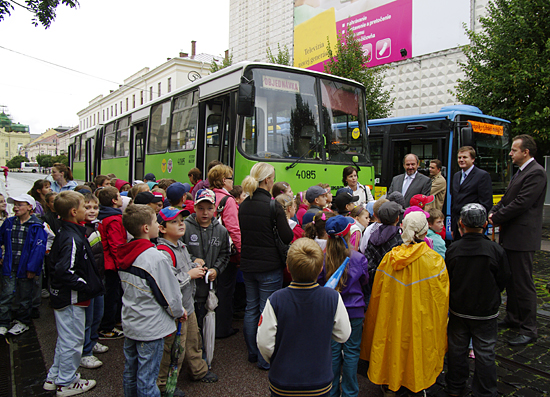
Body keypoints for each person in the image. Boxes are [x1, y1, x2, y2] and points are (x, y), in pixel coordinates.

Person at [360, 211, 449, 396]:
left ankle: (390, 385)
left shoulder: (389, 259)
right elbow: (440, 299)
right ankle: (417, 383)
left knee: (394, 349)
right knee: (417, 350)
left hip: (394, 318)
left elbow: (377, 295)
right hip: (421, 320)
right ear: (425, 231)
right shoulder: (434, 261)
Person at [257, 238, 351, 397]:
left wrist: (277, 359)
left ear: (288, 267)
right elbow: (343, 334)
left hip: (283, 380)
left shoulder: (275, 300)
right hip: (319, 380)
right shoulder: (332, 298)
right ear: (321, 268)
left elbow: (264, 342)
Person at [117, 204, 185, 397]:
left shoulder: (124, 253)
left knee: (131, 371)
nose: (157, 225)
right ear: (146, 228)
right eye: (156, 221)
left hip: (131, 322)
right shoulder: (154, 258)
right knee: (147, 378)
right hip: (151, 327)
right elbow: (169, 294)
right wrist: (178, 313)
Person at [445, 203, 510, 397]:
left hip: (459, 309)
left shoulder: (453, 249)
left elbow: (448, 278)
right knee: (486, 352)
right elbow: (504, 278)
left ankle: (455, 386)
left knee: (457, 351)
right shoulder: (495, 250)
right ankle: (485, 390)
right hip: (486, 312)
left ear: (461, 224)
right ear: (484, 225)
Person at [43, 191, 103, 395]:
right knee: (73, 341)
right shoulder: (72, 237)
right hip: (72, 298)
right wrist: (84, 285)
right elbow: (64, 270)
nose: (88, 210)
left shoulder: (70, 232)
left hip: (68, 297)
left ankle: (55, 376)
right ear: (74, 211)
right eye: (84, 207)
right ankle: (66, 382)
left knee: (65, 339)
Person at [489, 134, 547, 345]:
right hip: (511, 236)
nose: (511, 154)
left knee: (523, 283)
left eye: (514, 150)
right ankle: (513, 318)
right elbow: (507, 198)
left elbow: (522, 203)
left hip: (522, 237)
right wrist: (494, 209)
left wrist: (497, 217)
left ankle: (529, 328)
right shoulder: (521, 172)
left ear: (526, 152)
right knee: (511, 280)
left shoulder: (536, 173)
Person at [156, 206, 217, 396]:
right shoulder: (163, 252)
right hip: (176, 310)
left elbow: (184, 265)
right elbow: (167, 282)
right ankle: (164, 384)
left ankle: (198, 370)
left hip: (187, 305)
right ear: (162, 228)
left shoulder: (180, 246)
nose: (181, 224)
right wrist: (189, 275)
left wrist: (193, 264)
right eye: (174, 222)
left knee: (193, 340)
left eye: (182, 220)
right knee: (174, 348)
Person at [238, 162, 294, 370]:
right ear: (268, 180)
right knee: (266, 311)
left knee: (251, 308)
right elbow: (287, 237)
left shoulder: (244, 204)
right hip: (269, 265)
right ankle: (264, 359)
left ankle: (253, 353)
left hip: (249, 264)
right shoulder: (273, 206)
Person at [319, 216, 369, 397]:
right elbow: (364, 282)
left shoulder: (323, 258)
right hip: (354, 311)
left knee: (332, 352)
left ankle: (330, 391)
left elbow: (318, 283)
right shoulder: (358, 258)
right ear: (348, 235)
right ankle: (350, 391)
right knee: (352, 352)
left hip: (331, 311)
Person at [183, 188, 230, 342]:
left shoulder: (221, 231)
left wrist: (216, 269)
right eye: (201, 208)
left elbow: (225, 254)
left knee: (205, 325)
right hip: (188, 290)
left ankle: (203, 354)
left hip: (209, 289)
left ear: (215, 209)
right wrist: (192, 260)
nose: (205, 213)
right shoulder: (185, 228)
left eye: (209, 208)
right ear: (195, 208)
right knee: (189, 327)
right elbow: (179, 251)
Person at [0, 194, 48, 337]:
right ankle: (3, 322)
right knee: (6, 294)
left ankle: (23, 321)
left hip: (25, 268)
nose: (15, 207)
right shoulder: (9, 223)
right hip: (9, 265)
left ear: (29, 207)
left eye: (20, 204)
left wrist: (32, 268)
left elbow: (38, 249)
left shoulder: (36, 226)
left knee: (25, 295)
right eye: (15, 204)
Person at [208, 165, 242, 338]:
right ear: (223, 180)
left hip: (208, 251)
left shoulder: (207, 196)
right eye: (230, 178)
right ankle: (223, 328)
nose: (232, 181)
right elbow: (233, 230)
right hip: (224, 253)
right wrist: (240, 252)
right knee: (225, 291)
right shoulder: (227, 201)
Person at [80, 193, 108, 369]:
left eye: (95, 208)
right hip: (89, 281)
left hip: (98, 278)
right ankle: (85, 351)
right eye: (87, 207)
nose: (92, 211)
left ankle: (92, 340)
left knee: (98, 314)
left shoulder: (95, 227)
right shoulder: (81, 231)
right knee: (87, 318)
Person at [97, 186, 126, 340]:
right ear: (114, 201)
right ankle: (107, 327)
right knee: (112, 295)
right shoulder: (114, 219)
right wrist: (121, 263)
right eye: (119, 196)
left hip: (105, 262)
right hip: (111, 264)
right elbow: (116, 245)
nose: (122, 198)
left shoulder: (103, 216)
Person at [451, 146, 493, 241]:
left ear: (473, 159)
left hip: (473, 228)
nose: (461, 160)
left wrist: (480, 227)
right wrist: (453, 227)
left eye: (465, 157)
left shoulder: (482, 176)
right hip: (458, 227)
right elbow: (454, 202)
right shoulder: (456, 176)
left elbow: (486, 203)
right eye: (459, 157)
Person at [365, 201, 404, 289]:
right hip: (393, 286)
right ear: (397, 219)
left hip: (375, 284)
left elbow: (369, 262)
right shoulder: (399, 238)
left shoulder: (372, 235)